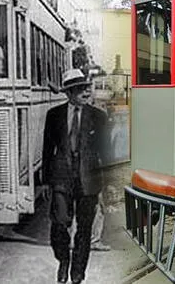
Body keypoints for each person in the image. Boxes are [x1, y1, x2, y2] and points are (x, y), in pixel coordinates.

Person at [43, 68, 109, 284]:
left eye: (86, 88)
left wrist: (108, 184)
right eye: (80, 89)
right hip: (61, 179)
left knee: (84, 229)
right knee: (60, 224)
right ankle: (63, 259)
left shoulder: (98, 117)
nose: (86, 93)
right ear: (69, 93)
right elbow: (47, 150)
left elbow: (106, 152)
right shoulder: (53, 116)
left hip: (88, 182)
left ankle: (77, 275)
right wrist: (46, 182)